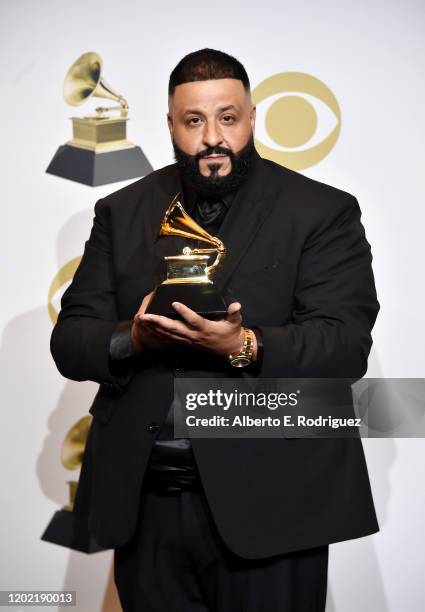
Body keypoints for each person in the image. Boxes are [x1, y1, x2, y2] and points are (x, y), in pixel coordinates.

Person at [50, 48, 380, 611]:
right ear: (171, 125)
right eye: (194, 121)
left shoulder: (322, 211)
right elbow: (71, 339)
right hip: (147, 506)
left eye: (228, 118)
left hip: (276, 505)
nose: (212, 138)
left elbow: (345, 344)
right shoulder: (122, 211)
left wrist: (245, 344)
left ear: (252, 118)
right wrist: (135, 336)